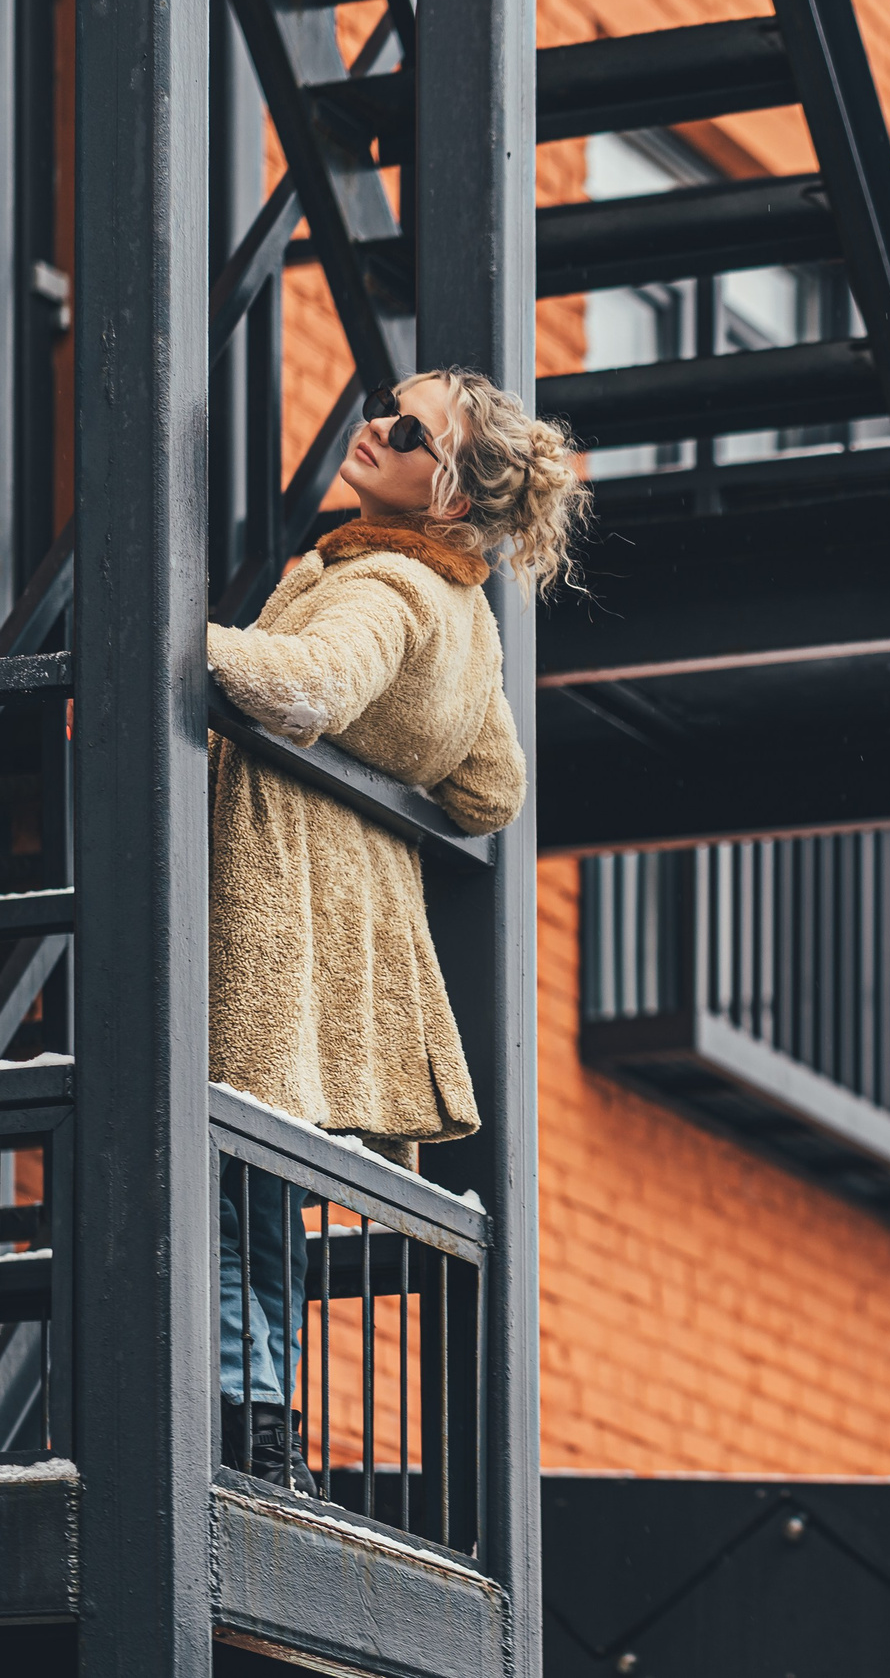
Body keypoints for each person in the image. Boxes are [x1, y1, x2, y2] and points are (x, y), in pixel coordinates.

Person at [204, 369, 584, 1487]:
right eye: (385, 402)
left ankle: (242, 1419)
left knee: (227, 1192)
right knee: (256, 1193)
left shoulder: (384, 588)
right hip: (328, 934)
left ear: (452, 496)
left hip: (267, 909)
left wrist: (169, 644)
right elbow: (488, 786)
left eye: (409, 428)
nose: (374, 424)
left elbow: (309, 688)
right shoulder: (461, 616)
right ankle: (263, 1415)